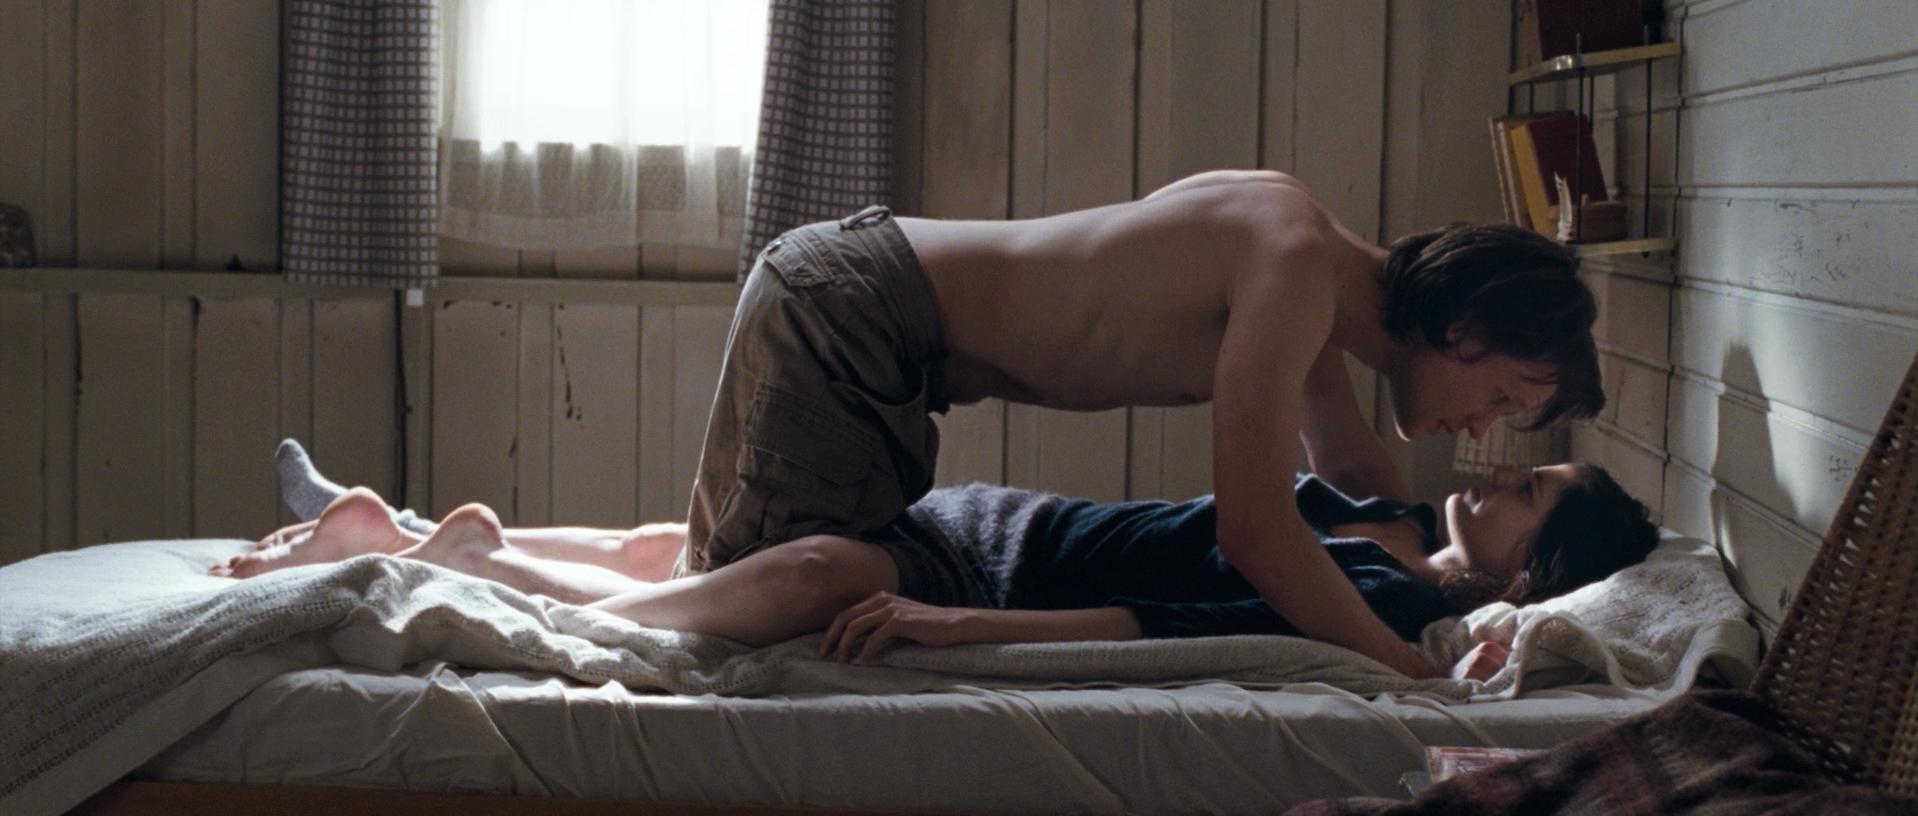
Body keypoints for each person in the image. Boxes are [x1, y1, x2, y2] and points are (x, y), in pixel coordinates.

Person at [233, 169, 1607, 680]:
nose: (1478, 431)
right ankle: (447, 569)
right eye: (1502, 398)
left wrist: (1473, 591)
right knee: (771, 587)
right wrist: (1401, 663)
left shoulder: (1301, 257)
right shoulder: (1294, 275)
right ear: (1465, 331)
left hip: (868, 310)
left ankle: (423, 535)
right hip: (863, 313)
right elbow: (1260, 534)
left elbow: (1349, 486)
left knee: (746, 562)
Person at [222, 458, 1657, 683]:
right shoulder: (1387, 506)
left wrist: (954, 627)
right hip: (998, 519)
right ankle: (444, 547)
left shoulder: (1396, 595)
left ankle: (445, 556)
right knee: (714, 555)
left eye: (1529, 494)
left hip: (997, 570)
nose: (1497, 473)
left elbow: (1171, 620)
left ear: (1536, 570)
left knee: (794, 577)